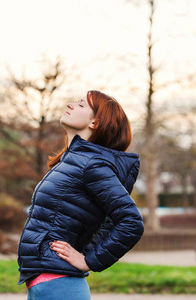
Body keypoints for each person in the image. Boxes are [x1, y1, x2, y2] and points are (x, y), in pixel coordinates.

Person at [17, 90, 144, 299]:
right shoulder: (73, 161)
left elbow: (130, 221)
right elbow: (111, 220)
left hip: (59, 285)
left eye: (81, 105)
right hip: (47, 283)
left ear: (95, 122)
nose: (70, 105)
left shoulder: (91, 165)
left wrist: (88, 260)